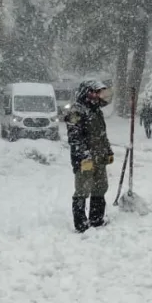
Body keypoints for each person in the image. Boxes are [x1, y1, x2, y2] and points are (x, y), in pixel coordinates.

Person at [64, 80, 114, 233]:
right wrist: (84, 156)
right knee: (82, 190)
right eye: (95, 92)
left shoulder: (96, 111)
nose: (99, 96)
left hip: (99, 158)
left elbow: (101, 135)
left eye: (100, 93)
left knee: (100, 187)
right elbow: (75, 137)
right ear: (87, 93)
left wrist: (108, 150)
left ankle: (96, 219)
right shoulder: (77, 111)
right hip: (85, 160)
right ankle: (81, 223)